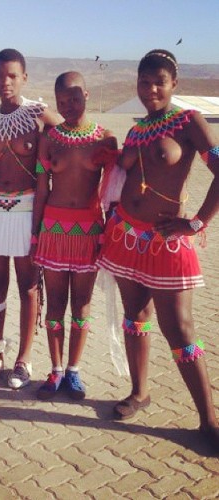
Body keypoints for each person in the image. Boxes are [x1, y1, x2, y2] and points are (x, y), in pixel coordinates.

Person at [97, 50, 219, 449]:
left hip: (167, 242)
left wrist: (197, 222)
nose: (150, 90)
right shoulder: (136, 131)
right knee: (135, 316)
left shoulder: (190, 123)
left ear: (174, 85)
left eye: (158, 82)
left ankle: (208, 421)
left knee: (181, 330)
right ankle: (139, 392)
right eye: (144, 82)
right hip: (126, 238)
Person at [0, 48, 62, 389]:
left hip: (28, 210)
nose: (5, 81)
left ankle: (23, 361)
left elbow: (73, 137)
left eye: (12, 75)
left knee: (28, 287)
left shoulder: (40, 115)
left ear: (24, 78)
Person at [32, 71, 118, 400]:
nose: (69, 105)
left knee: (81, 305)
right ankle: (54, 371)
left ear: (87, 95)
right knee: (54, 303)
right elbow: (42, 190)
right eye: (62, 101)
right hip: (53, 230)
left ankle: (73, 371)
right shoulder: (49, 140)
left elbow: (112, 193)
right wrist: (35, 234)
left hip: (89, 232)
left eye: (75, 98)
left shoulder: (105, 139)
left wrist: (106, 234)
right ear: (56, 102)